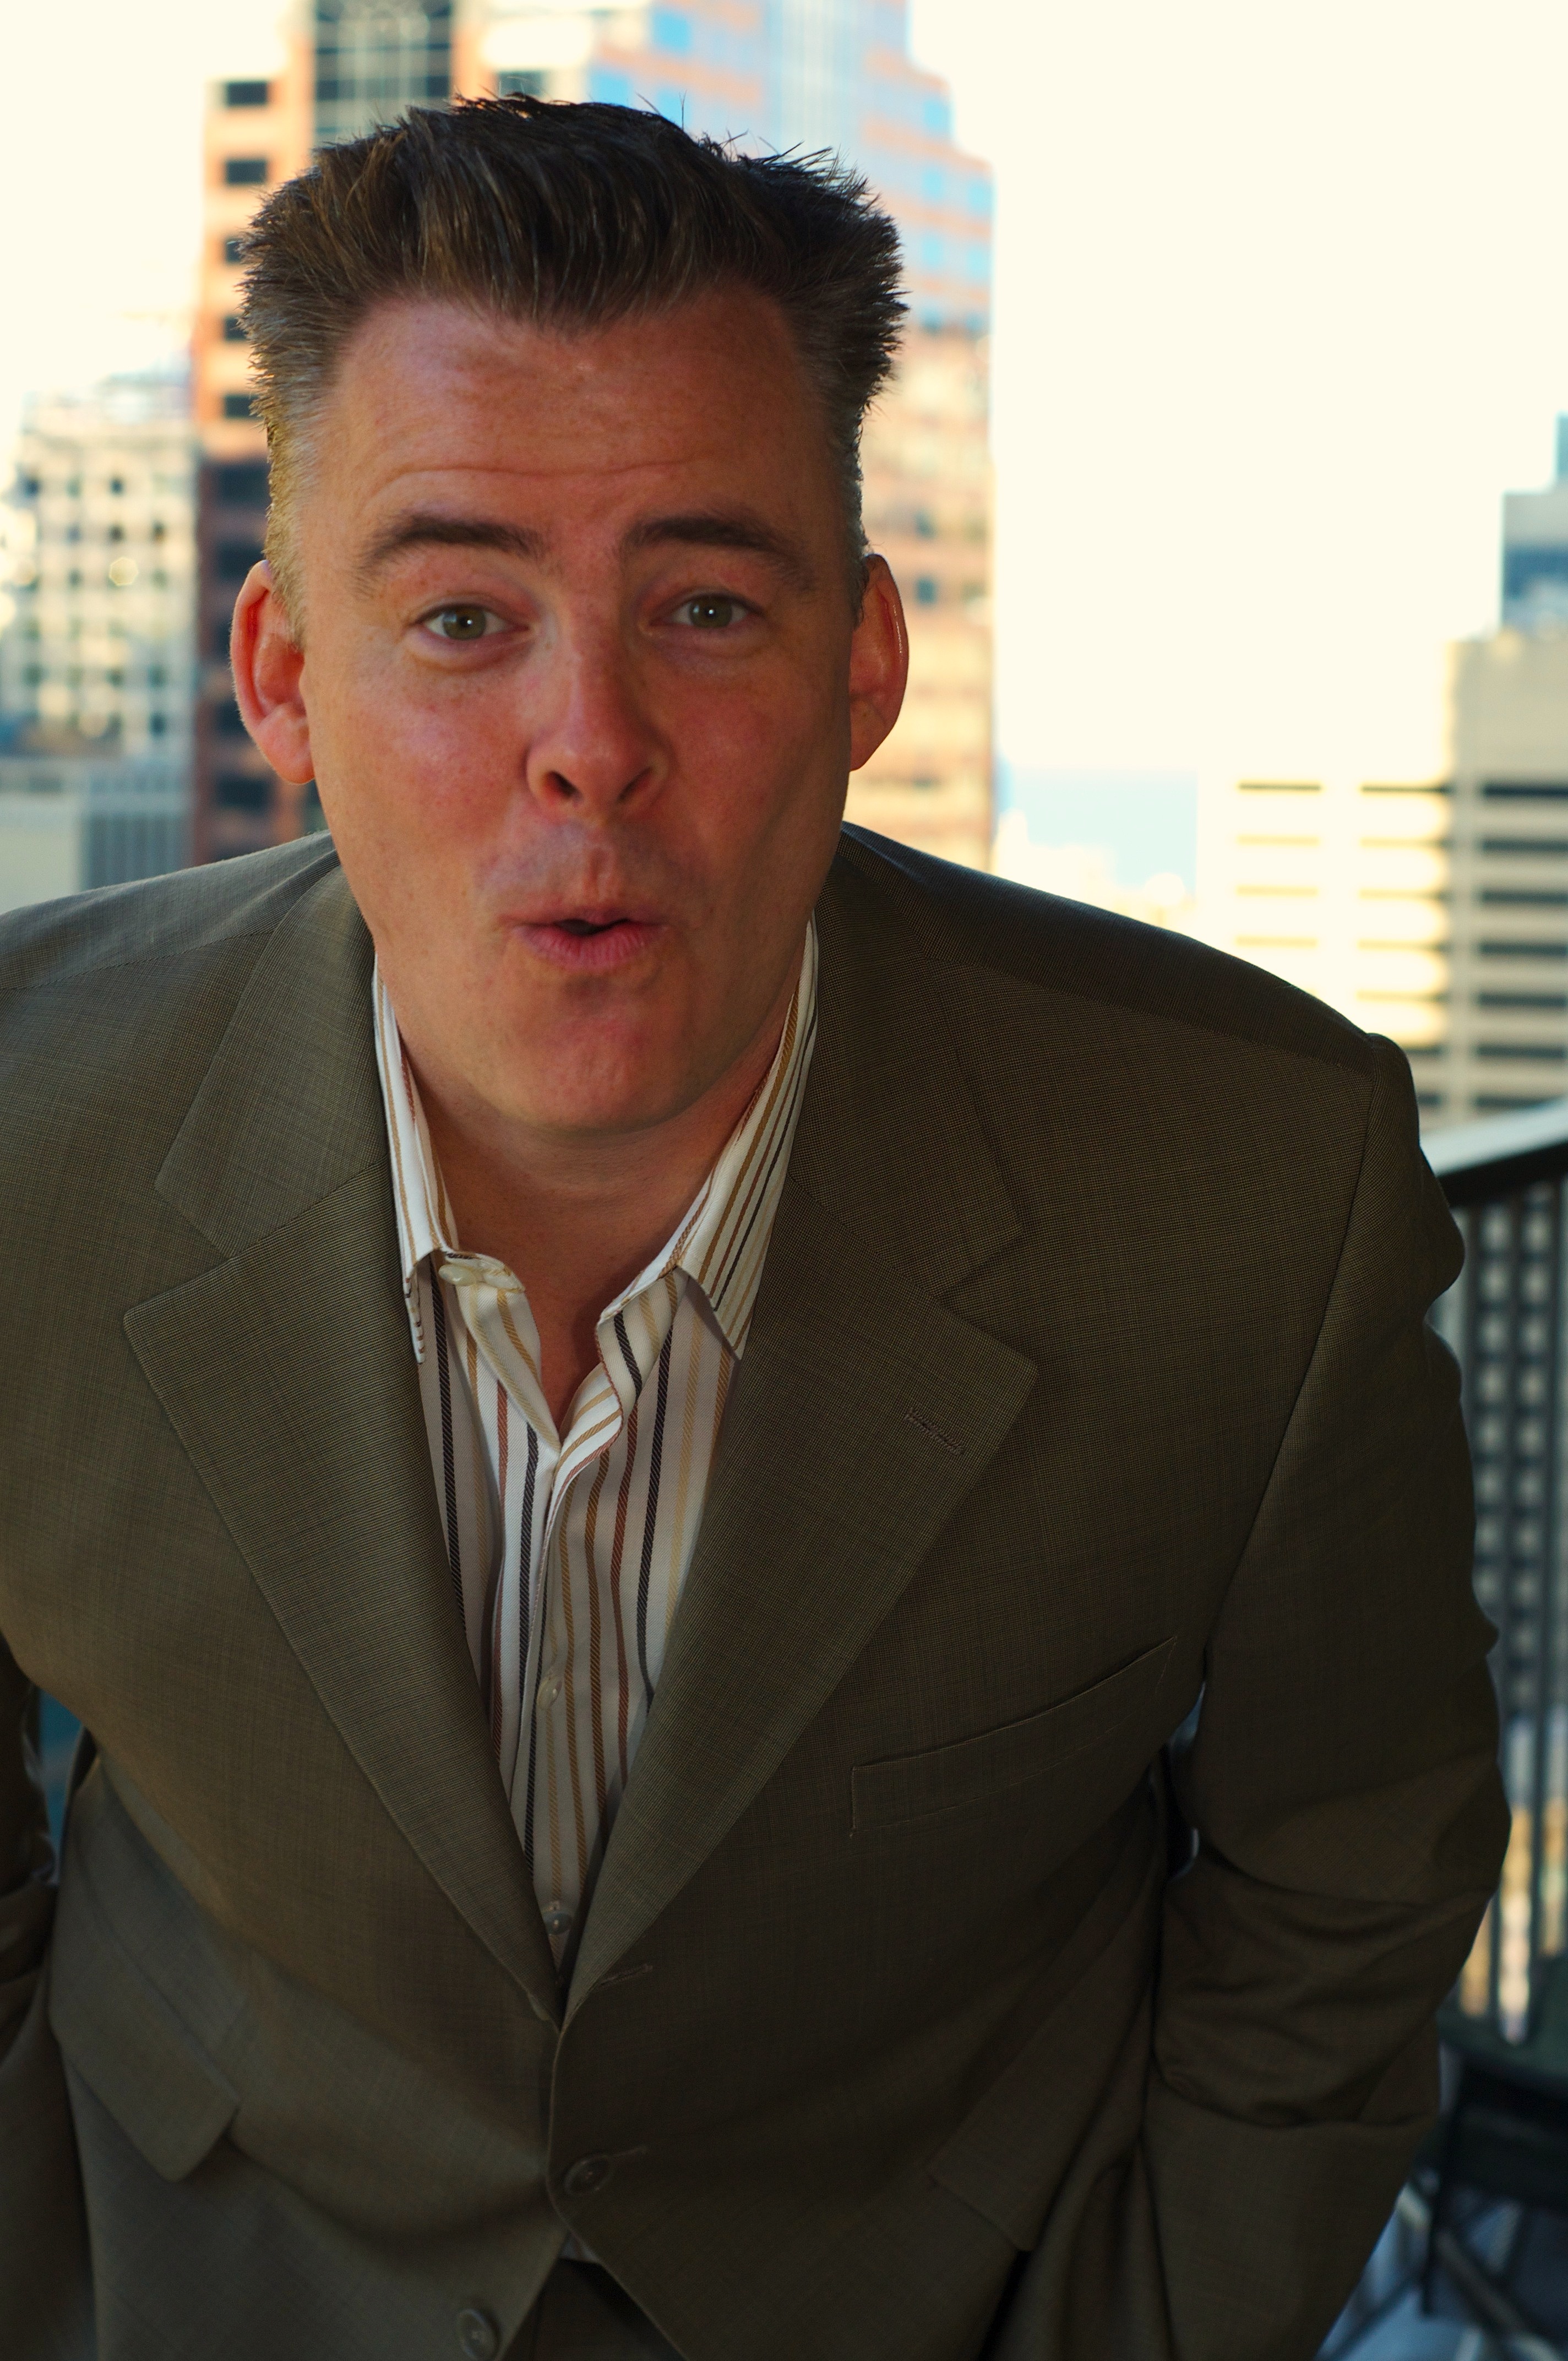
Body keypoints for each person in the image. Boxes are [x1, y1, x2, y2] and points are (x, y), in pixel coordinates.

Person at [0, 96, 1506, 2361]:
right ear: (285, 678)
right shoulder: (25, 1127)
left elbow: (1345, 1870)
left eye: (701, 606)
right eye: (458, 615)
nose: (586, 742)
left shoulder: (1256, 1188)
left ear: (866, 668)